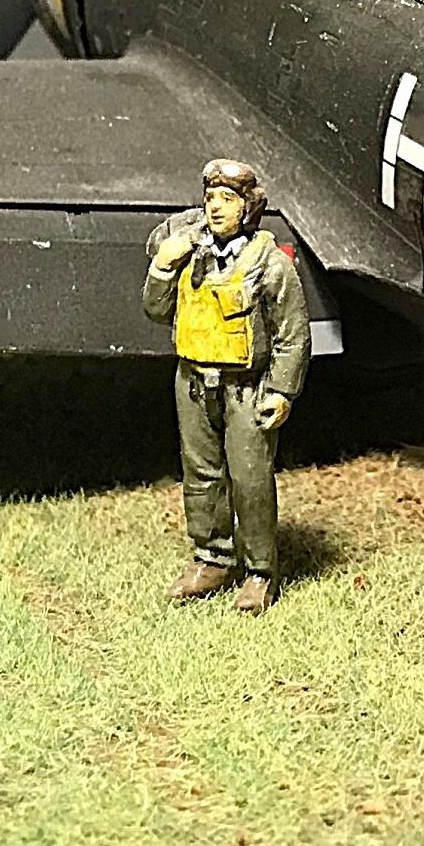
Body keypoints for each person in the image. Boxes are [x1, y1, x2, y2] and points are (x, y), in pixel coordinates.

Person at [143, 159, 311, 611]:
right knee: (201, 475)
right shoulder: (188, 255)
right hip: (193, 382)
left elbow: (293, 334)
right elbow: (156, 311)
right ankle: (212, 557)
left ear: (248, 207)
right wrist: (163, 266)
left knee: (250, 478)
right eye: (210, 198)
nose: (215, 208)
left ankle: (260, 572)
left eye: (228, 199)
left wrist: (281, 391)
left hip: (246, 387)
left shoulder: (270, 265)